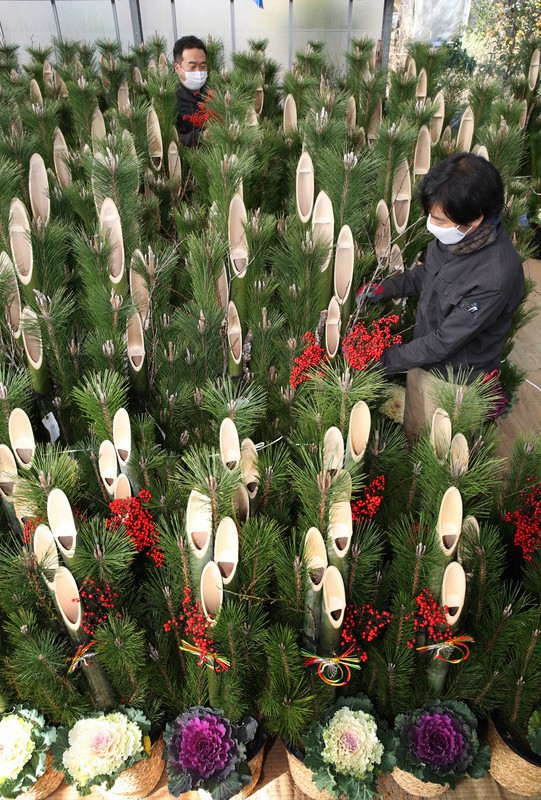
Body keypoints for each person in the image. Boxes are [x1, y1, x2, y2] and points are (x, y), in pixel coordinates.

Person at [360, 152, 526, 437]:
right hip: (421, 358)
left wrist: (380, 360)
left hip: (452, 384)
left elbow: (443, 342)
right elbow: (429, 274)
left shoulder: (494, 277)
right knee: (413, 429)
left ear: (475, 219)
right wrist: (387, 288)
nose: (432, 224)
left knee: (433, 449)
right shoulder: (456, 238)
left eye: (438, 219)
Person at [173, 35, 208, 147]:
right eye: (192, 67)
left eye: (202, 66)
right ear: (177, 68)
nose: (198, 71)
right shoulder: (171, 100)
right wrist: (202, 136)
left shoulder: (213, 92)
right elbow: (172, 140)